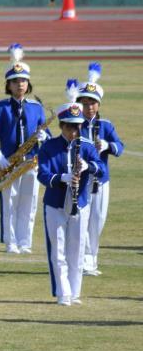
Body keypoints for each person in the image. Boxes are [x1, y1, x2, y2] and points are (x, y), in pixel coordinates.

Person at [37, 80, 103, 306]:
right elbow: (42, 175)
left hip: (80, 203)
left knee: (76, 250)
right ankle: (63, 293)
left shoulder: (86, 146)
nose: (74, 131)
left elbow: (101, 169)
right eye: (70, 126)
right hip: (55, 204)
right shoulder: (49, 147)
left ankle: (75, 293)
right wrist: (62, 178)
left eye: (77, 126)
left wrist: (88, 167)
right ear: (62, 126)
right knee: (58, 251)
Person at [0, 44, 48, 255]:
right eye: (15, 81)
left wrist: (44, 137)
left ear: (28, 83)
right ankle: (11, 241)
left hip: (31, 162)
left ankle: (25, 241)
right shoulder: (0, 107)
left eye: (23, 80)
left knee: (29, 204)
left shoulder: (36, 108)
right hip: (9, 162)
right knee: (10, 203)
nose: (20, 84)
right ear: (8, 85)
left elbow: (47, 138)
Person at [77, 63, 123, 276]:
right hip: (81, 180)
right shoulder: (74, 124)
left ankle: (92, 259)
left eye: (93, 103)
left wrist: (107, 146)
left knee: (98, 220)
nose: (89, 107)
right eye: (85, 103)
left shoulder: (105, 125)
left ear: (98, 104)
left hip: (101, 181)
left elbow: (120, 147)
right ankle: (84, 259)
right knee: (82, 219)